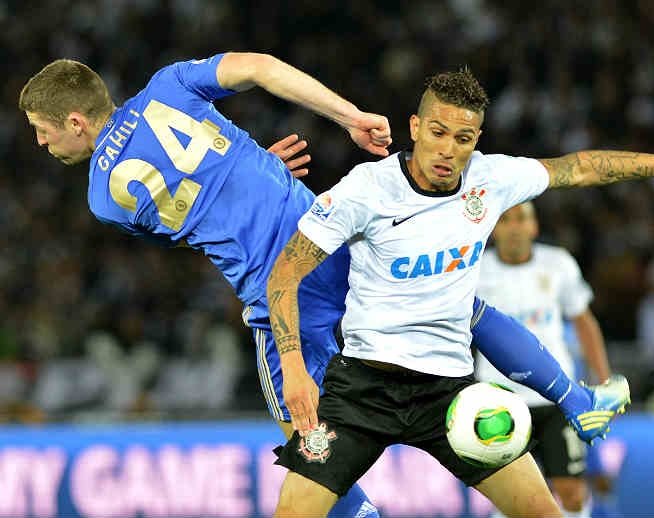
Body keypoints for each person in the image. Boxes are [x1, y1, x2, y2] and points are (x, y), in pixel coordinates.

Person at [19, 53, 620, 518]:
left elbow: (201, 224)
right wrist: (343, 118)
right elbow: (261, 68)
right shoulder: (171, 85)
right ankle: (576, 399)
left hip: (284, 299)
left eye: (43, 131)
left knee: (305, 445)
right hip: (336, 254)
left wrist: (244, 173)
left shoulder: (104, 200)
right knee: (457, 306)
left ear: (77, 121)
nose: (41, 144)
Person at [265, 68, 654, 517]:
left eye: (463, 138)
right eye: (437, 133)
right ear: (414, 127)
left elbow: (582, 167)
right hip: (362, 390)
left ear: (476, 141)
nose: (448, 150)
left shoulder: (490, 179)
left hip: (448, 395)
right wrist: (294, 371)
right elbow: (284, 273)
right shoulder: (367, 189)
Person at [474, 201, 611, 518]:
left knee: (572, 494)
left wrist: (602, 380)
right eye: (506, 220)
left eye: (522, 219)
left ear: (534, 227)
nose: (514, 227)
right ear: (494, 229)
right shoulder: (476, 271)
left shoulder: (558, 264)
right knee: (512, 497)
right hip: (500, 401)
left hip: (556, 397)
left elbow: (584, 321)